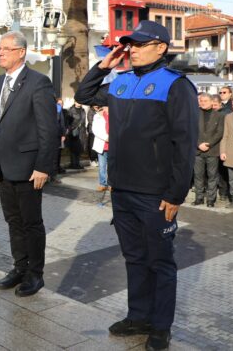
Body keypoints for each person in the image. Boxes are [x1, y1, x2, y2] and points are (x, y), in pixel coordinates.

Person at [75, 20, 198, 351]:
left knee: (160, 261)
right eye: (129, 44)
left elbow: (184, 145)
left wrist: (175, 194)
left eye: (139, 44)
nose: (131, 49)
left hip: (156, 194)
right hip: (123, 189)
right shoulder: (121, 81)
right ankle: (138, 316)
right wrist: (103, 66)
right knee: (134, 258)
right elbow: (83, 94)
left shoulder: (176, 85)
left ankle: (160, 326)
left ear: (161, 48)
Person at [0, 31, 57, 297]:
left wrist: (43, 166)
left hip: (29, 168)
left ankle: (35, 274)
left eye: (6, 48)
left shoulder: (38, 83)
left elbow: (48, 130)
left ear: (21, 52)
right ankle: (19, 267)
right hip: (3, 167)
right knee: (13, 221)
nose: (0, 53)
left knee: (31, 223)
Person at [193, 93, 224, 207]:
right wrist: (198, 144)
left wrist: (209, 144)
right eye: (201, 100)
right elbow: (191, 131)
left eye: (205, 101)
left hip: (212, 150)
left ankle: (211, 200)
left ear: (212, 102)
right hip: (198, 150)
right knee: (198, 175)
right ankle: (199, 198)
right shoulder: (195, 114)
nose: (202, 102)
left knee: (212, 176)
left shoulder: (220, 115)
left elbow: (220, 132)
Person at [91, 105, 110, 191]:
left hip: (112, 144)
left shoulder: (114, 114)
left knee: (111, 166)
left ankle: (111, 184)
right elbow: (95, 130)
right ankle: (103, 183)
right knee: (102, 166)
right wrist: (106, 138)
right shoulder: (97, 116)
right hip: (102, 144)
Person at [66, 101, 86, 169]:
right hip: (74, 131)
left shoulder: (83, 110)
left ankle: (77, 163)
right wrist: (71, 129)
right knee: (73, 148)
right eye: (78, 101)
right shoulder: (71, 110)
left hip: (81, 131)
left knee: (79, 148)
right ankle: (73, 164)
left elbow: (84, 121)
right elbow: (68, 121)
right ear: (75, 102)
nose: (79, 103)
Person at [54, 97, 67, 178]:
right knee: (55, 154)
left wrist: (63, 134)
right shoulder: (57, 108)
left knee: (57, 154)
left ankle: (54, 174)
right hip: (54, 134)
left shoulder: (58, 109)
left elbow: (62, 123)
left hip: (56, 134)